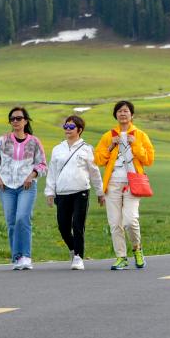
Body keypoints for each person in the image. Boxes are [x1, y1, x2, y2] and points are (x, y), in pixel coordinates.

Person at [93, 100, 155, 270]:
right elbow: (98, 160)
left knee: (130, 221)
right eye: (119, 111)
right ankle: (121, 257)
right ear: (115, 115)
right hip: (112, 184)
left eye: (126, 111)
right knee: (115, 223)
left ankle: (137, 249)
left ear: (131, 115)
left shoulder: (140, 135)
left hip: (133, 183)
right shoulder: (108, 136)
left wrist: (135, 144)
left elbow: (149, 159)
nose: (122, 113)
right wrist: (111, 145)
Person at [0, 106, 47, 270]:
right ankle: (17, 257)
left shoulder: (34, 142)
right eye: (12, 119)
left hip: (26, 186)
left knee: (22, 218)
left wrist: (32, 175)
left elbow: (42, 164)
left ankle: (26, 256)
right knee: (11, 221)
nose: (15, 121)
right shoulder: (2, 141)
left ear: (25, 121)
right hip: (6, 187)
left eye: (19, 118)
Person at [44, 115, 104, 270]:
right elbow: (52, 172)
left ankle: (78, 256)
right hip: (62, 193)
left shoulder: (87, 149)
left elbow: (94, 172)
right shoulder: (57, 149)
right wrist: (49, 192)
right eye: (66, 126)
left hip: (81, 192)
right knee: (63, 227)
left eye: (71, 127)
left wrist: (100, 192)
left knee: (78, 225)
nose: (68, 129)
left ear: (79, 130)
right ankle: (72, 248)